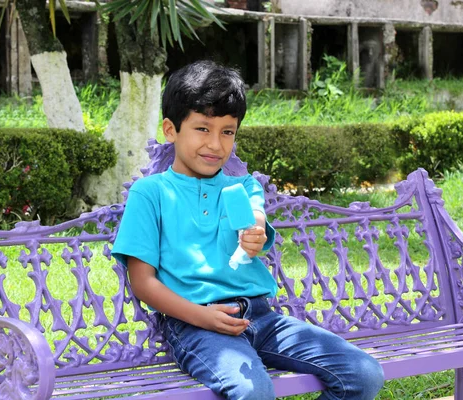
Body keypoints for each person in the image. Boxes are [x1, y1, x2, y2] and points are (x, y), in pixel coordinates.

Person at [112, 60, 384, 400]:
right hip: (196, 326)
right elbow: (143, 282)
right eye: (202, 129)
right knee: (253, 391)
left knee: (363, 373)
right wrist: (203, 317)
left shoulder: (244, 185)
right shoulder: (150, 194)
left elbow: (254, 217)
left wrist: (253, 233)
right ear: (171, 130)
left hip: (262, 317)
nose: (215, 144)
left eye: (227, 132)